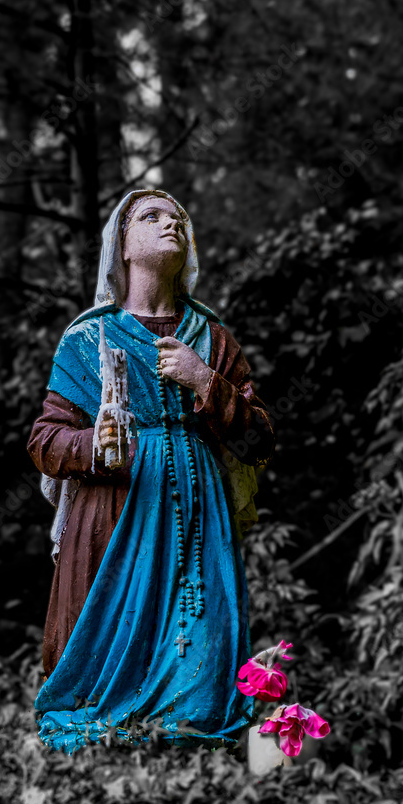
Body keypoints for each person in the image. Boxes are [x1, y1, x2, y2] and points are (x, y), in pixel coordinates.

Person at [27, 188, 275, 754]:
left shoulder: (210, 338)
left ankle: (194, 732)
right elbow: (44, 441)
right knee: (108, 663)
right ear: (123, 244)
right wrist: (94, 444)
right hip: (114, 517)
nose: (172, 224)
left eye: (179, 218)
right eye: (152, 216)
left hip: (199, 519)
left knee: (202, 647)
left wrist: (204, 381)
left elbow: (258, 439)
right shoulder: (88, 338)